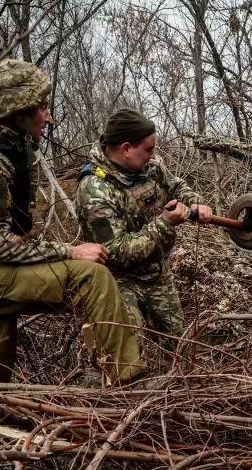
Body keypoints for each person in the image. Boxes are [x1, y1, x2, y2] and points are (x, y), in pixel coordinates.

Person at [0, 59, 142, 448]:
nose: (48, 117)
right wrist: (69, 250)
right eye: (41, 108)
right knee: (89, 276)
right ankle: (130, 392)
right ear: (19, 111)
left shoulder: (7, 147)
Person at [74, 108, 212, 351]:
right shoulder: (94, 191)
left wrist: (194, 201)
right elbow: (117, 253)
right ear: (126, 148)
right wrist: (165, 223)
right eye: (148, 149)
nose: (153, 155)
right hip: (120, 281)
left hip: (156, 271)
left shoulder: (151, 165)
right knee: (130, 356)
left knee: (183, 348)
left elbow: (175, 186)